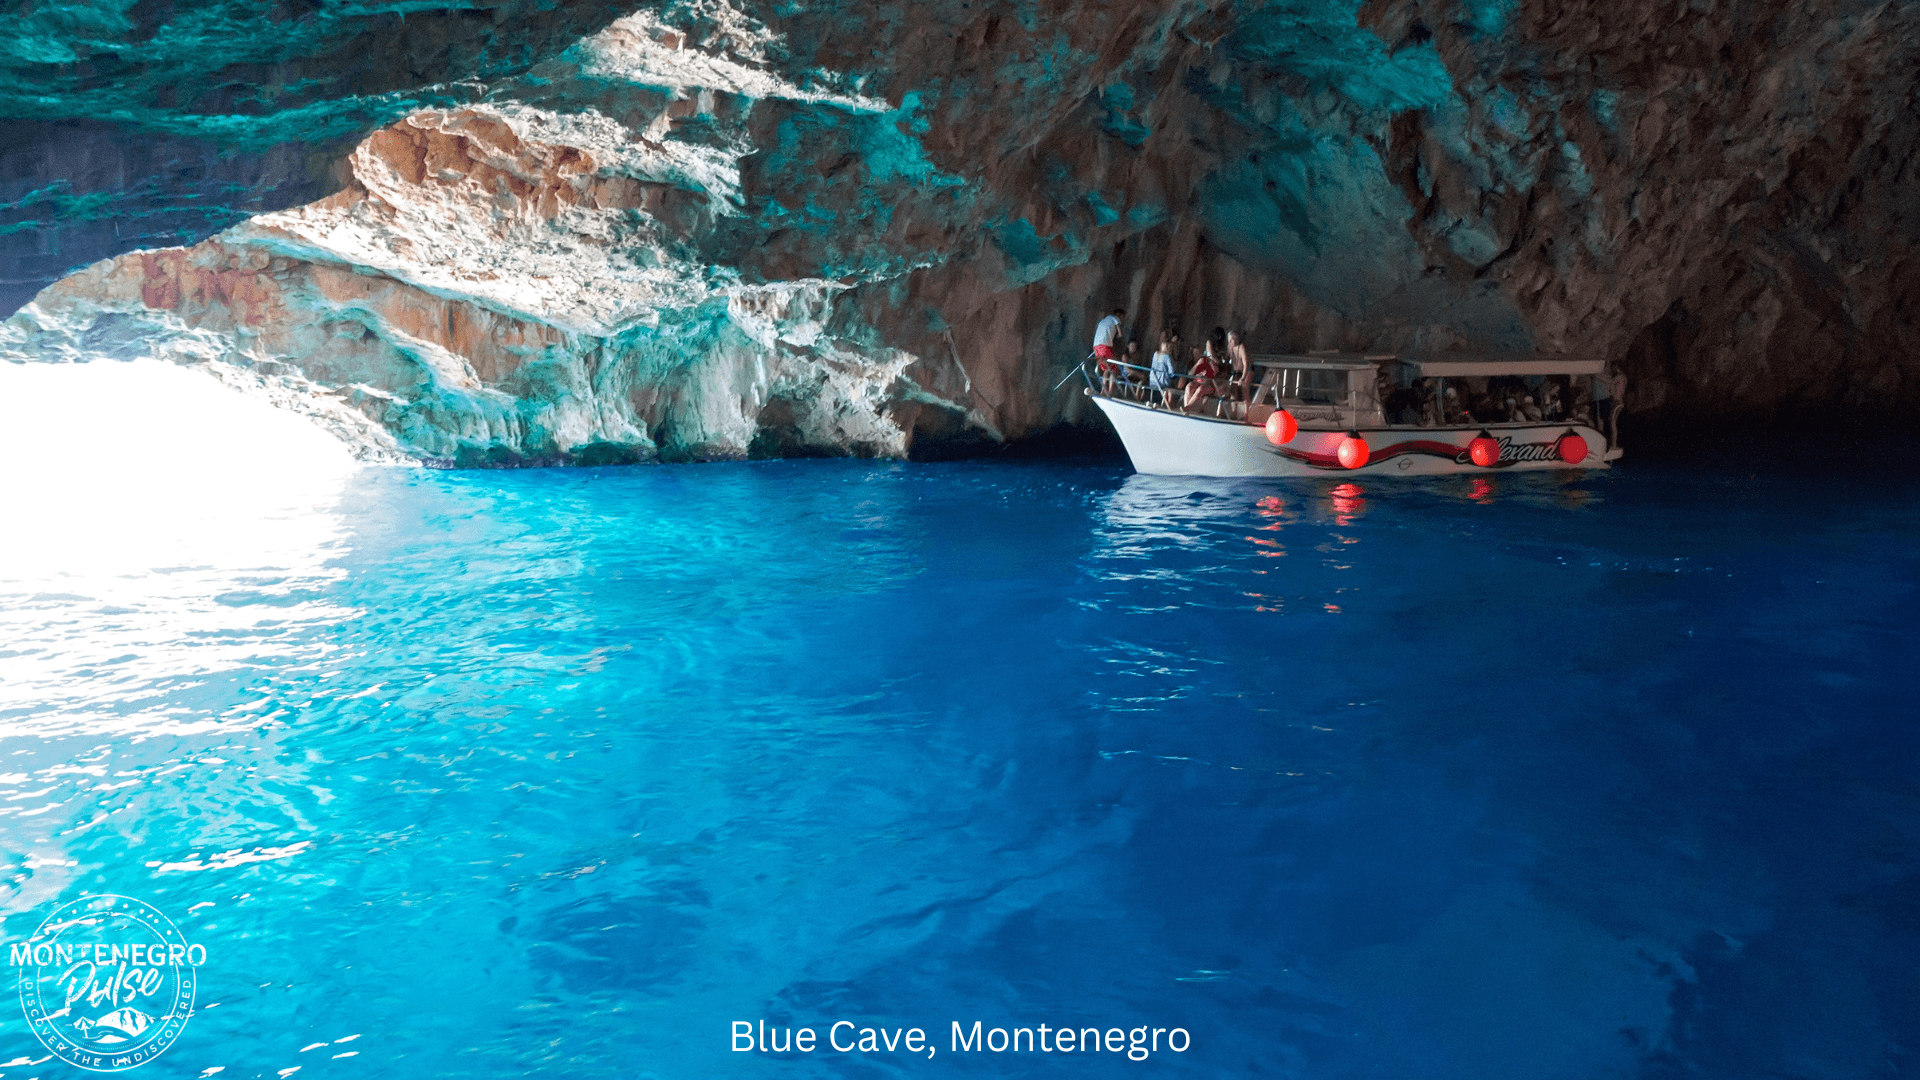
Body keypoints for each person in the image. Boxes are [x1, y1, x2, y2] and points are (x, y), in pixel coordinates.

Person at [1184, 342, 1222, 413]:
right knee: (1189, 387)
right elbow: (1190, 374)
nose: (1197, 354)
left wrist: (1210, 361)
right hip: (1197, 382)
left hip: (1208, 384)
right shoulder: (1195, 362)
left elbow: (1215, 373)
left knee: (1200, 389)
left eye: (1198, 352)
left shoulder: (1209, 361)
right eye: (1195, 352)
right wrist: (1197, 364)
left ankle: (1187, 408)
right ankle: (1189, 410)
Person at [1148, 330, 1177, 408]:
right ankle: (1170, 407)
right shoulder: (1167, 357)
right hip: (1161, 383)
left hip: (1152, 382)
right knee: (1171, 389)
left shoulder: (1155, 354)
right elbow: (1172, 373)